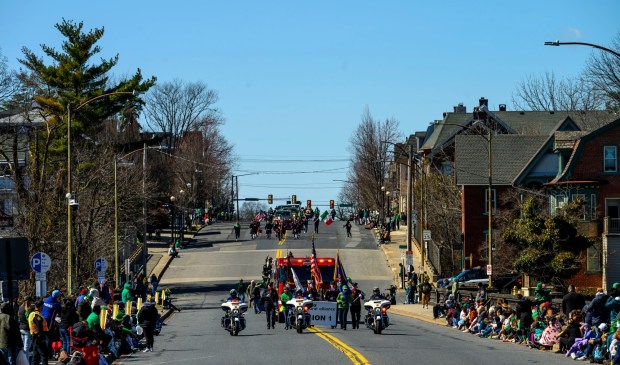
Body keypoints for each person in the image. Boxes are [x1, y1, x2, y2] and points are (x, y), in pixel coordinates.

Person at [29, 300, 49, 365]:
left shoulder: (32, 314)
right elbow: (40, 327)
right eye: (42, 306)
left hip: (35, 336)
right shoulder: (36, 315)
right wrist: (42, 338)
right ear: (40, 307)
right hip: (38, 337)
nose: (43, 307)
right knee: (44, 355)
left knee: (36, 356)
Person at [17, 296, 33, 364]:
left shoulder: (20, 308)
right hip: (27, 330)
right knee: (26, 348)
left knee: (23, 347)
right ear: (29, 301)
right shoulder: (28, 310)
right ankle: (26, 362)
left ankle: (22, 361)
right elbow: (30, 320)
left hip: (21, 329)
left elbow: (19, 319)